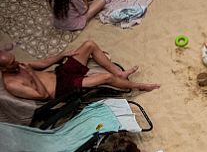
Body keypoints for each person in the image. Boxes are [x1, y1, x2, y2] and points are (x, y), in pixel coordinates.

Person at [0, 39, 160, 101]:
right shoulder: (12, 84)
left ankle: (120, 73)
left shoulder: (16, 64)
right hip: (62, 88)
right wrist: (31, 75)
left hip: (60, 73)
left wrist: (62, 55)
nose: (16, 62)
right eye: (12, 63)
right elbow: (43, 95)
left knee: (89, 44)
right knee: (105, 78)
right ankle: (140, 85)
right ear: (3, 68)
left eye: (14, 59)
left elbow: (42, 64)